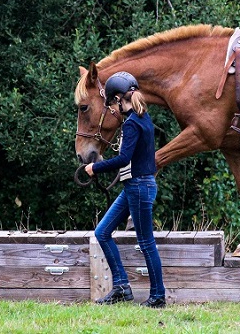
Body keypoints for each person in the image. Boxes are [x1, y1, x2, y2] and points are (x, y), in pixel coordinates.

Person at [84, 71, 166, 308]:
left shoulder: (131, 124)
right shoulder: (144, 118)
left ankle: (158, 296)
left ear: (120, 98)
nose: (114, 107)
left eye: (113, 102)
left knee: (146, 242)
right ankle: (121, 286)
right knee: (102, 232)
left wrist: (94, 168)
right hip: (135, 186)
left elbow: (123, 159)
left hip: (138, 187)